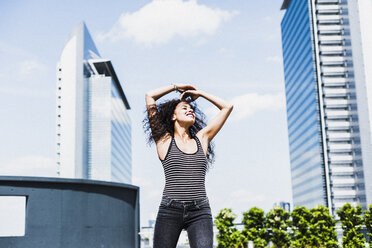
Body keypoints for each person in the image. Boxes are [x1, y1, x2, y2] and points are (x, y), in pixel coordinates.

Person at [144, 84, 233, 248]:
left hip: (200, 211)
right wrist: (176, 87)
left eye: (191, 109)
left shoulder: (202, 139)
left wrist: (200, 93)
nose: (189, 110)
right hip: (170, 210)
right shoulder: (163, 140)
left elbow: (227, 106)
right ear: (173, 116)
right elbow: (150, 96)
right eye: (184, 108)